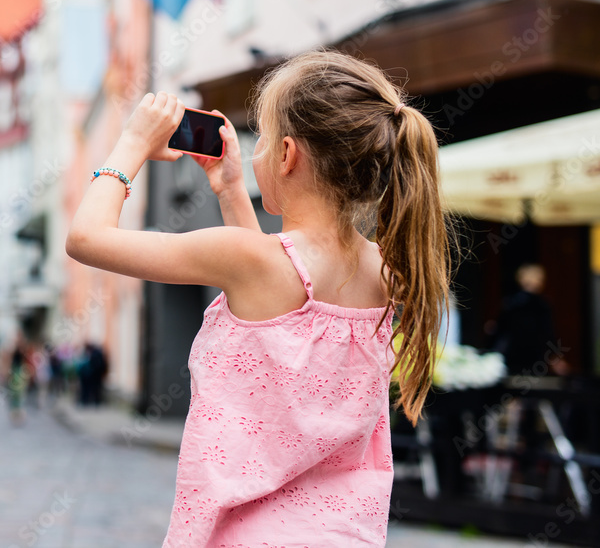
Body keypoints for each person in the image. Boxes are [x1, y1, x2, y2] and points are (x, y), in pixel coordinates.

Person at [66, 50, 456, 546]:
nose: (257, 151)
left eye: (264, 138)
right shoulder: (385, 270)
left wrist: (131, 144)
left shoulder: (251, 261)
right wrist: (231, 189)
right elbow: (275, 304)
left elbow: (85, 239)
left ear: (288, 154)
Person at [487, 263, 569, 376]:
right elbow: (548, 333)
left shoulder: (511, 303)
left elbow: (498, 331)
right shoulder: (542, 305)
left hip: (512, 357)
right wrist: (554, 356)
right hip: (535, 359)